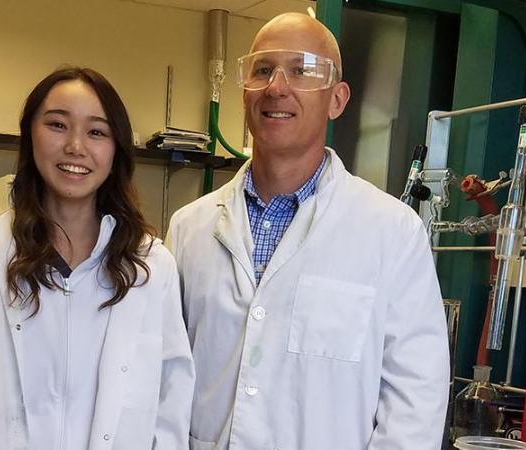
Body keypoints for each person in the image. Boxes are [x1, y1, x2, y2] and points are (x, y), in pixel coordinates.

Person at [167, 13, 449, 450]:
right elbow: (165, 373)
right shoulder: (189, 227)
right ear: (245, 93)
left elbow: (416, 399)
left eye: (301, 70)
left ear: (337, 99)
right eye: (263, 69)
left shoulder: (392, 231)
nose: (276, 87)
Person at [0, 67, 194, 450]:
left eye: (97, 132)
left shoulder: (151, 267)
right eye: (57, 125)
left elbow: (171, 406)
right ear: (30, 134)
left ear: (116, 149)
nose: (76, 146)